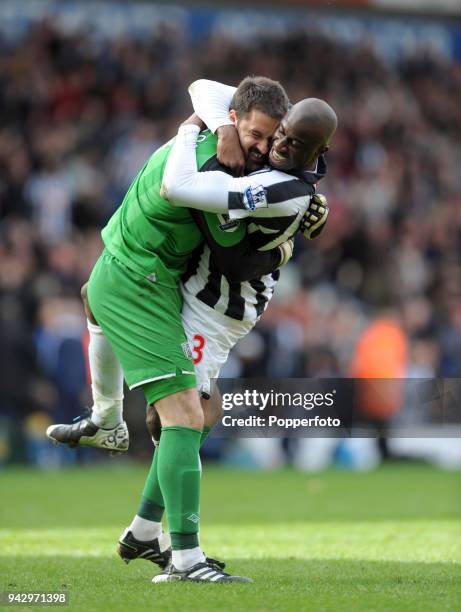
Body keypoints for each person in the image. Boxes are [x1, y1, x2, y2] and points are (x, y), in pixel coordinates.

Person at [48, 77, 337, 583]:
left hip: (151, 278)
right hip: (168, 291)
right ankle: (185, 558)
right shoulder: (217, 160)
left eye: (278, 139)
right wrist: (195, 130)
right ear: (237, 118)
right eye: (264, 136)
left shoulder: (260, 164)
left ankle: (138, 519)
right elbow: (192, 204)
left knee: (202, 413)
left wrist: (215, 125)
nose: (270, 148)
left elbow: (205, 91)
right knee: (181, 417)